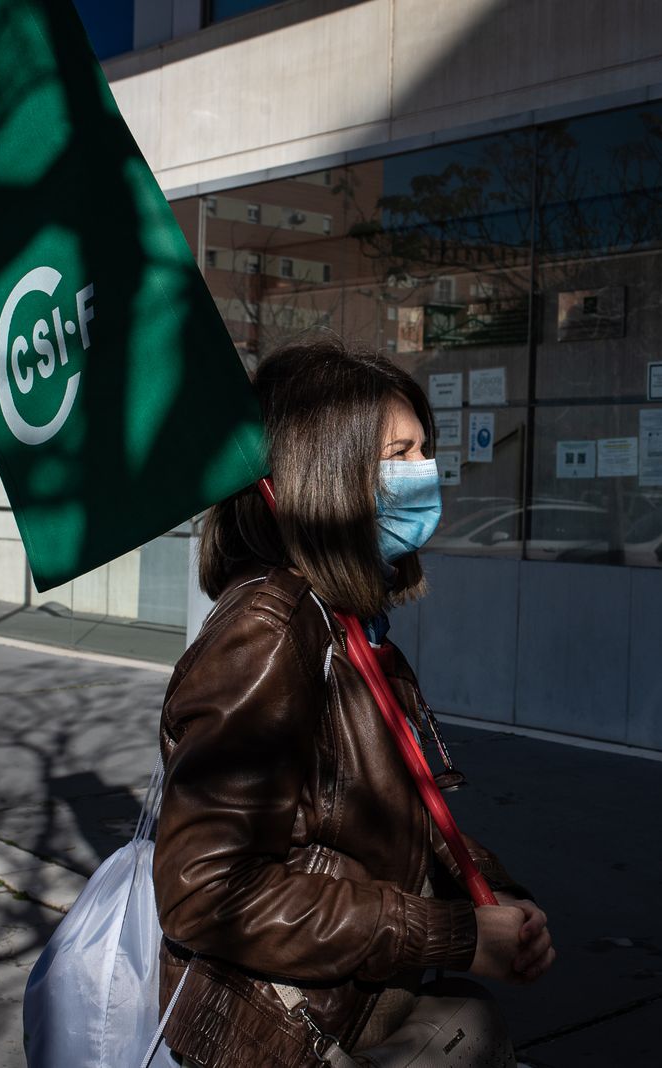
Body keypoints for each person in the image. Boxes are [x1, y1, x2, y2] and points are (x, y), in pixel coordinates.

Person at [152, 335, 554, 1067]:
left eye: (424, 449)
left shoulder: (348, 624)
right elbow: (205, 892)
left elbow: (387, 818)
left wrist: (493, 898)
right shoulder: (269, 634)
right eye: (397, 454)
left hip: (362, 1011)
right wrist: (454, 936)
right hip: (291, 1037)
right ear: (327, 472)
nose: (424, 472)